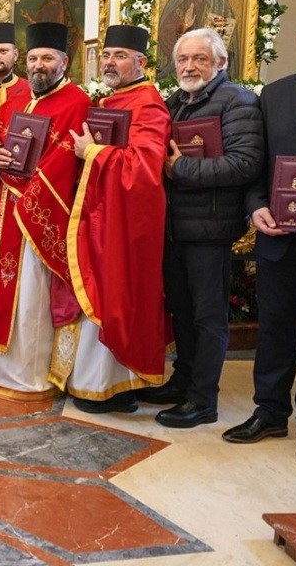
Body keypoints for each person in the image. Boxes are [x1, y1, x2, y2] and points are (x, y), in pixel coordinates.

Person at [223, 0, 296, 470]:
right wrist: (255, 206)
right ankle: (270, 412)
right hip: (279, 237)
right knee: (274, 327)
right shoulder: (275, 94)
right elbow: (258, 164)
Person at [139, 28, 263, 428]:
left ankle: (203, 398)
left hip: (210, 229)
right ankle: (183, 381)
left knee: (208, 317)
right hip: (174, 227)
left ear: (221, 63)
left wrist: (181, 168)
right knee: (182, 310)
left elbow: (245, 163)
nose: (189, 66)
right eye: (183, 60)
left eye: (200, 59)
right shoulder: (173, 103)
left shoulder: (238, 101)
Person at [0, 22, 90, 397]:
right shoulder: (16, 102)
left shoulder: (78, 102)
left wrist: (27, 192)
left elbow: (67, 160)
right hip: (5, 212)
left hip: (38, 214)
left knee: (31, 293)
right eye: (34, 58)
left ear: (63, 61)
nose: (39, 65)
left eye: (47, 58)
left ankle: (26, 371)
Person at [63, 24, 171, 413]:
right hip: (103, 214)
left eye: (120, 56)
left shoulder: (148, 105)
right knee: (99, 291)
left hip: (127, 222)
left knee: (117, 295)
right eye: (107, 55)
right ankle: (95, 380)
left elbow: (144, 166)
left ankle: (111, 384)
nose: (110, 62)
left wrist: (91, 153)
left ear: (141, 62)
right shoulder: (113, 100)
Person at [157, 0, 238, 80]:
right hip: (183, 68)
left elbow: (229, 38)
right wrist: (183, 27)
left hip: (209, 67)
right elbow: (164, 33)